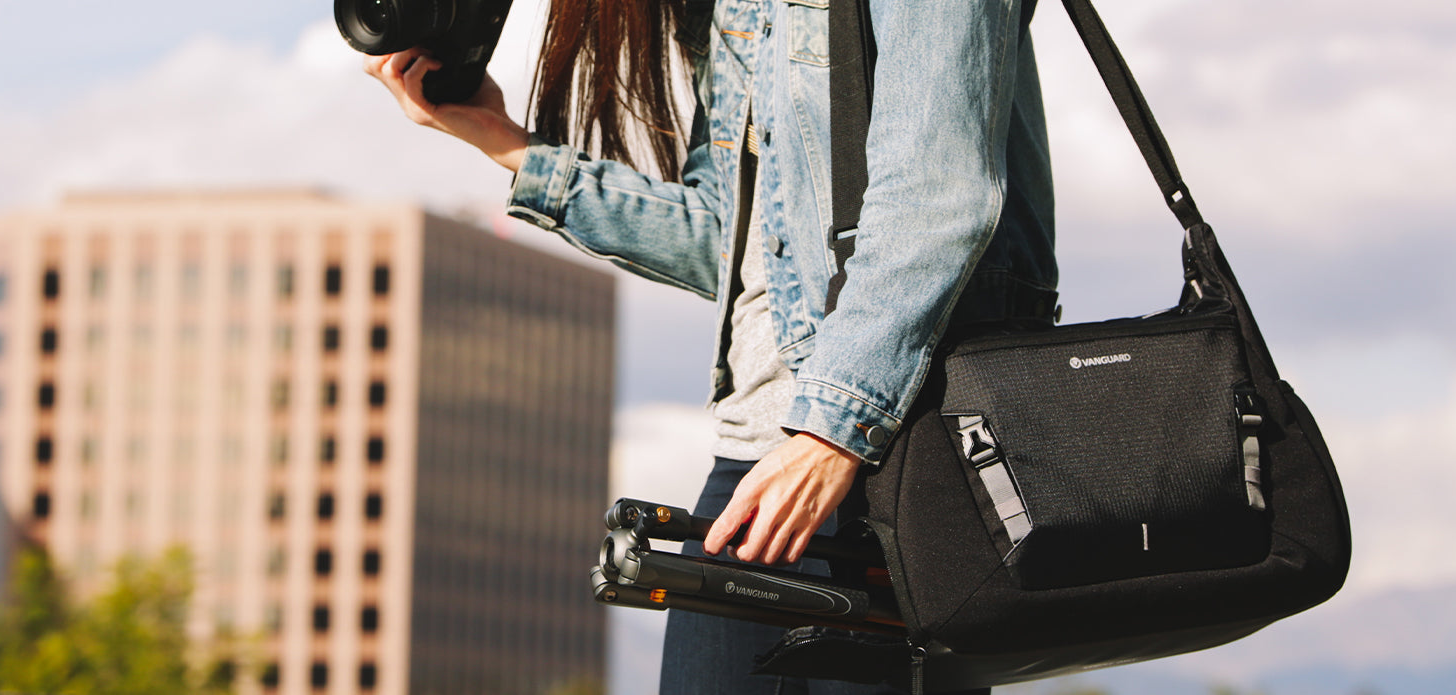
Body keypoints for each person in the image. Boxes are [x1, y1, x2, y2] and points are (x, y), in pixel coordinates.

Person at [367, 0, 1055, 690]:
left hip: (893, 450)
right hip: (760, 459)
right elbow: (728, 241)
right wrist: (509, 145)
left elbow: (941, 197)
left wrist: (832, 436)